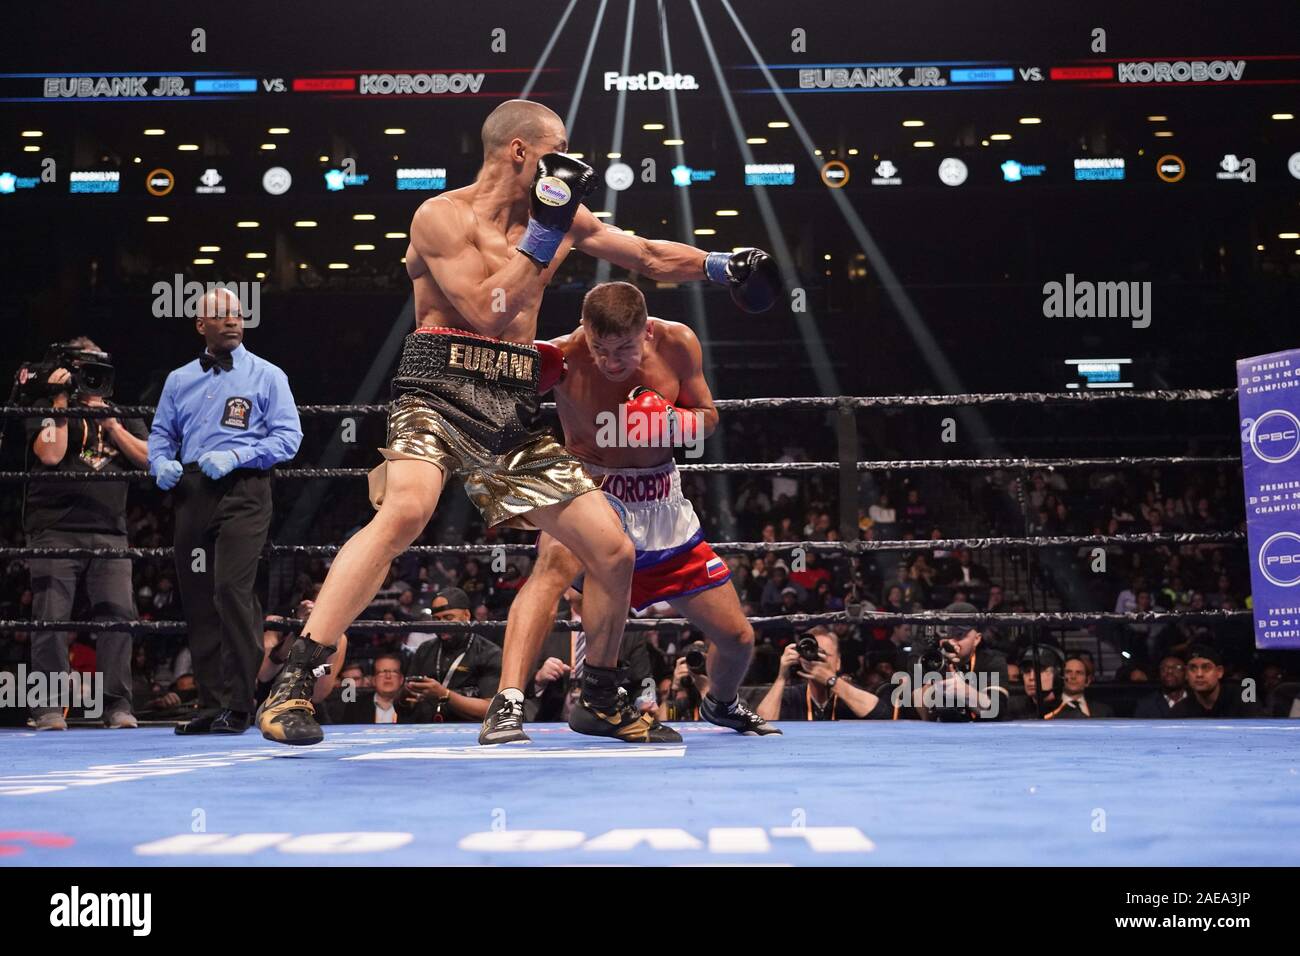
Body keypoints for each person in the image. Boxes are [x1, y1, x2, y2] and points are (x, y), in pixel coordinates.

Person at [258, 100, 777, 747]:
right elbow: (487, 310)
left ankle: (598, 698)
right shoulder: (440, 217)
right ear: (520, 153)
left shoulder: (554, 218)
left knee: (611, 551)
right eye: (557, 149)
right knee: (405, 512)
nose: (568, 163)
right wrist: (547, 230)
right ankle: (293, 684)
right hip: (439, 387)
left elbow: (643, 254)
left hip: (509, 405)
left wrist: (720, 265)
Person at [482, 281, 779, 744]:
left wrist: (670, 419)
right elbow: (491, 406)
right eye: (600, 348)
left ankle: (720, 704)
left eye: (623, 348)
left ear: (647, 330)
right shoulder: (561, 356)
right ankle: (508, 704)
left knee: (738, 639)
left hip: (660, 505)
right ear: (585, 330)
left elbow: (708, 415)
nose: (611, 361)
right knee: (551, 567)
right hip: (589, 492)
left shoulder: (678, 342)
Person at [149, 289, 302, 735]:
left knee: (231, 591)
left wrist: (240, 457)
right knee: (197, 598)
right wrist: (159, 461)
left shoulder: (268, 375)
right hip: (193, 490)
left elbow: (288, 439)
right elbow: (161, 433)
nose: (233, 321)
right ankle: (211, 702)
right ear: (201, 325)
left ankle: (239, 703)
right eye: (221, 316)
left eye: (238, 314)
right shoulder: (178, 380)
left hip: (244, 488)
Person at [23, 337, 149, 729]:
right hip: (54, 530)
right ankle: (47, 707)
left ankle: (117, 706)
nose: (89, 377)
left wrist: (111, 425)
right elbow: (51, 455)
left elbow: (149, 460)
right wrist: (60, 403)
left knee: (117, 619)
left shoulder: (122, 414)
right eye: (82, 369)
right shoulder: (44, 409)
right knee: (51, 619)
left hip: (110, 532)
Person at [402, 588, 501, 722]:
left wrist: (444, 694)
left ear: (466, 615)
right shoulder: (425, 650)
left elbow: (492, 709)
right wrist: (405, 696)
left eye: (448, 618)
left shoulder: (488, 653)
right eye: (436, 619)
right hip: (427, 731)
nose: (442, 624)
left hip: (471, 733)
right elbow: (405, 704)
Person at [756, 627, 884, 721]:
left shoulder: (848, 694)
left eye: (824, 654)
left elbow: (881, 714)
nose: (817, 660)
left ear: (838, 662)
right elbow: (762, 723)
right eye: (813, 653)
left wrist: (831, 680)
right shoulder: (792, 696)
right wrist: (781, 677)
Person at [1172, 644, 1256, 718]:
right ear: (1186, 674)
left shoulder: (1243, 699)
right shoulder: (1180, 711)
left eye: (1206, 668)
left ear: (1219, 672)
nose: (1199, 674)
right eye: (1193, 668)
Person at [1043, 654, 1113, 719]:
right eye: (1068, 672)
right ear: (1060, 677)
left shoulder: (1104, 711)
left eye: (1079, 673)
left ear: (1088, 680)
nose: (1073, 677)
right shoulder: (1046, 709)